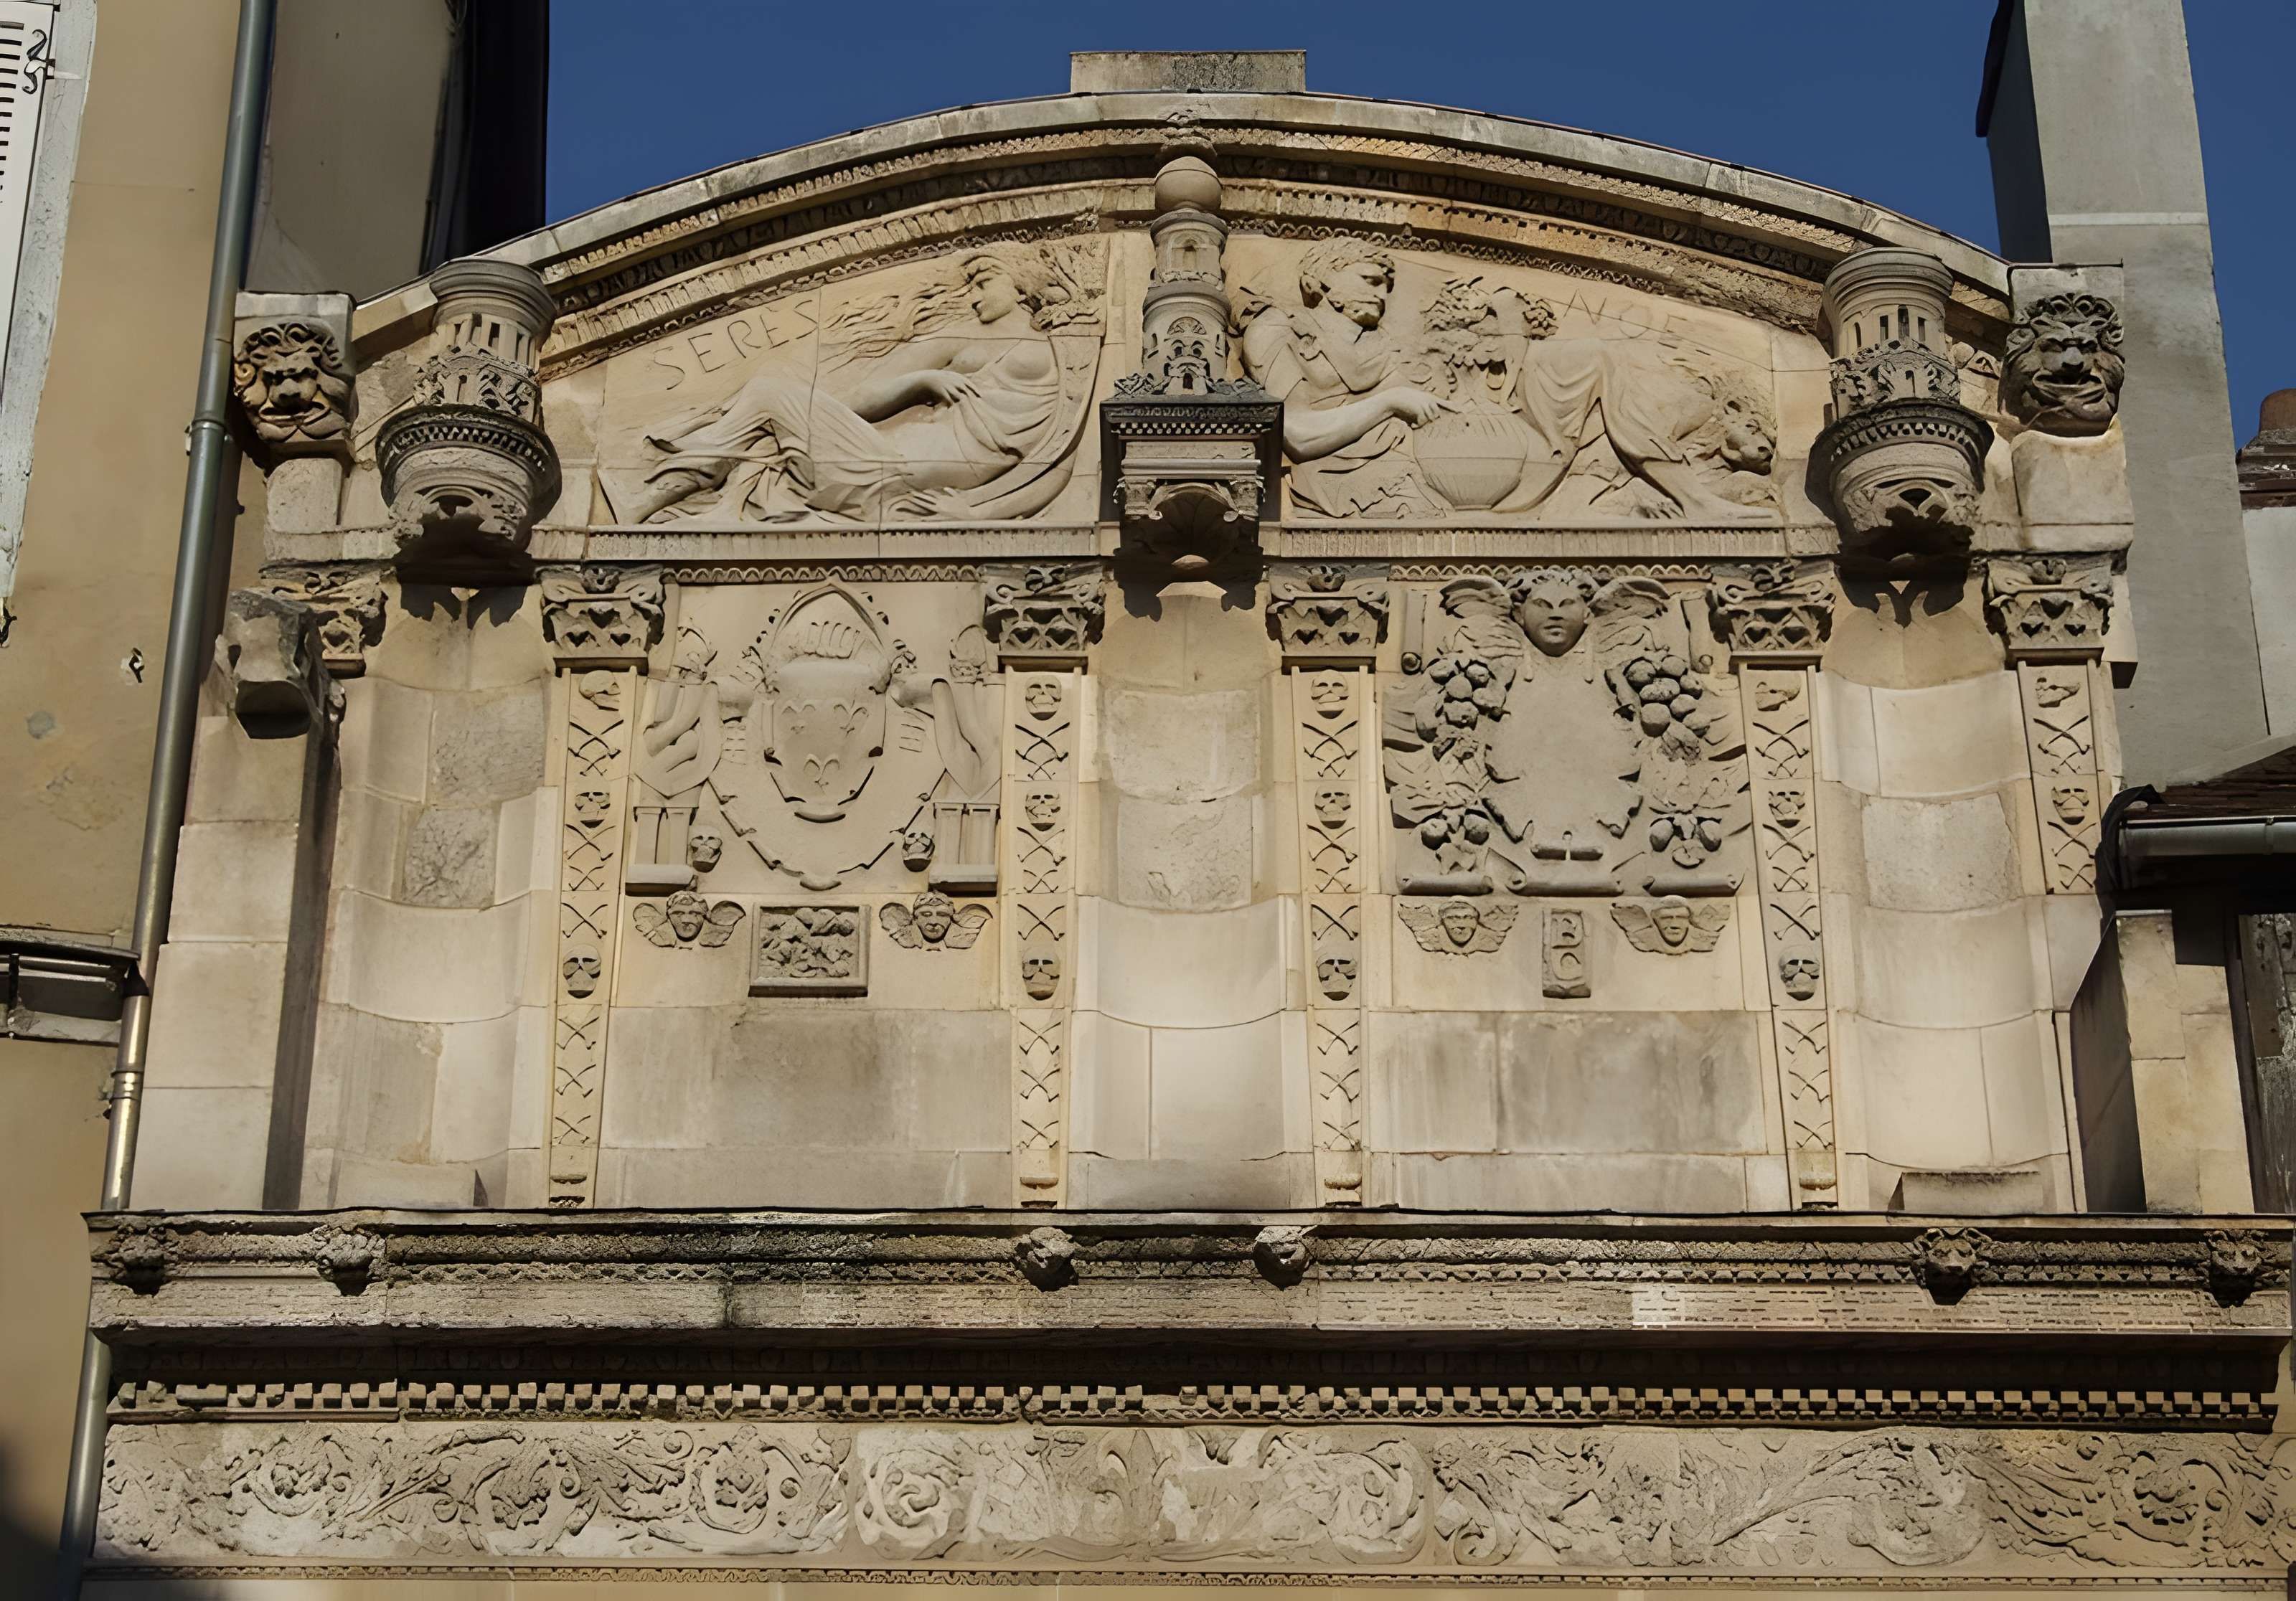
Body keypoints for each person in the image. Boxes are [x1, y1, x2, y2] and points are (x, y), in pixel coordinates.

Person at [631, 246, 1095, 523]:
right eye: (970, 286)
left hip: (890, 478)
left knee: (770, 389)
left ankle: (690, 463)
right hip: (874, 459)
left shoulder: (1066, 350)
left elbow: (1057, 461)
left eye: (983, 283)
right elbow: (859, 400)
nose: (972, 297)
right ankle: (691, 467)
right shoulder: (954, 341)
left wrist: (977, 514)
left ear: (1021, 283)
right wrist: (922, 379)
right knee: (772, 386)